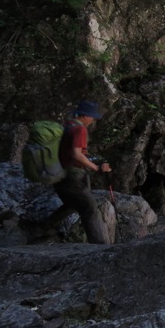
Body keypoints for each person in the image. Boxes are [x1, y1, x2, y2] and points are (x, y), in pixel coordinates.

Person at [48, 101, 111, 244]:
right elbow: (76, 154)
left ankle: (41, 228)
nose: (93, 120)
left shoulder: (66, 126)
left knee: (73, 204)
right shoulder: (80, 130)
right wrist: (96, 168)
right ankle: (99, 246)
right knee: (90, 210)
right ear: (85, 115)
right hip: (73, 176)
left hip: (59, 174)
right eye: (92, 117)